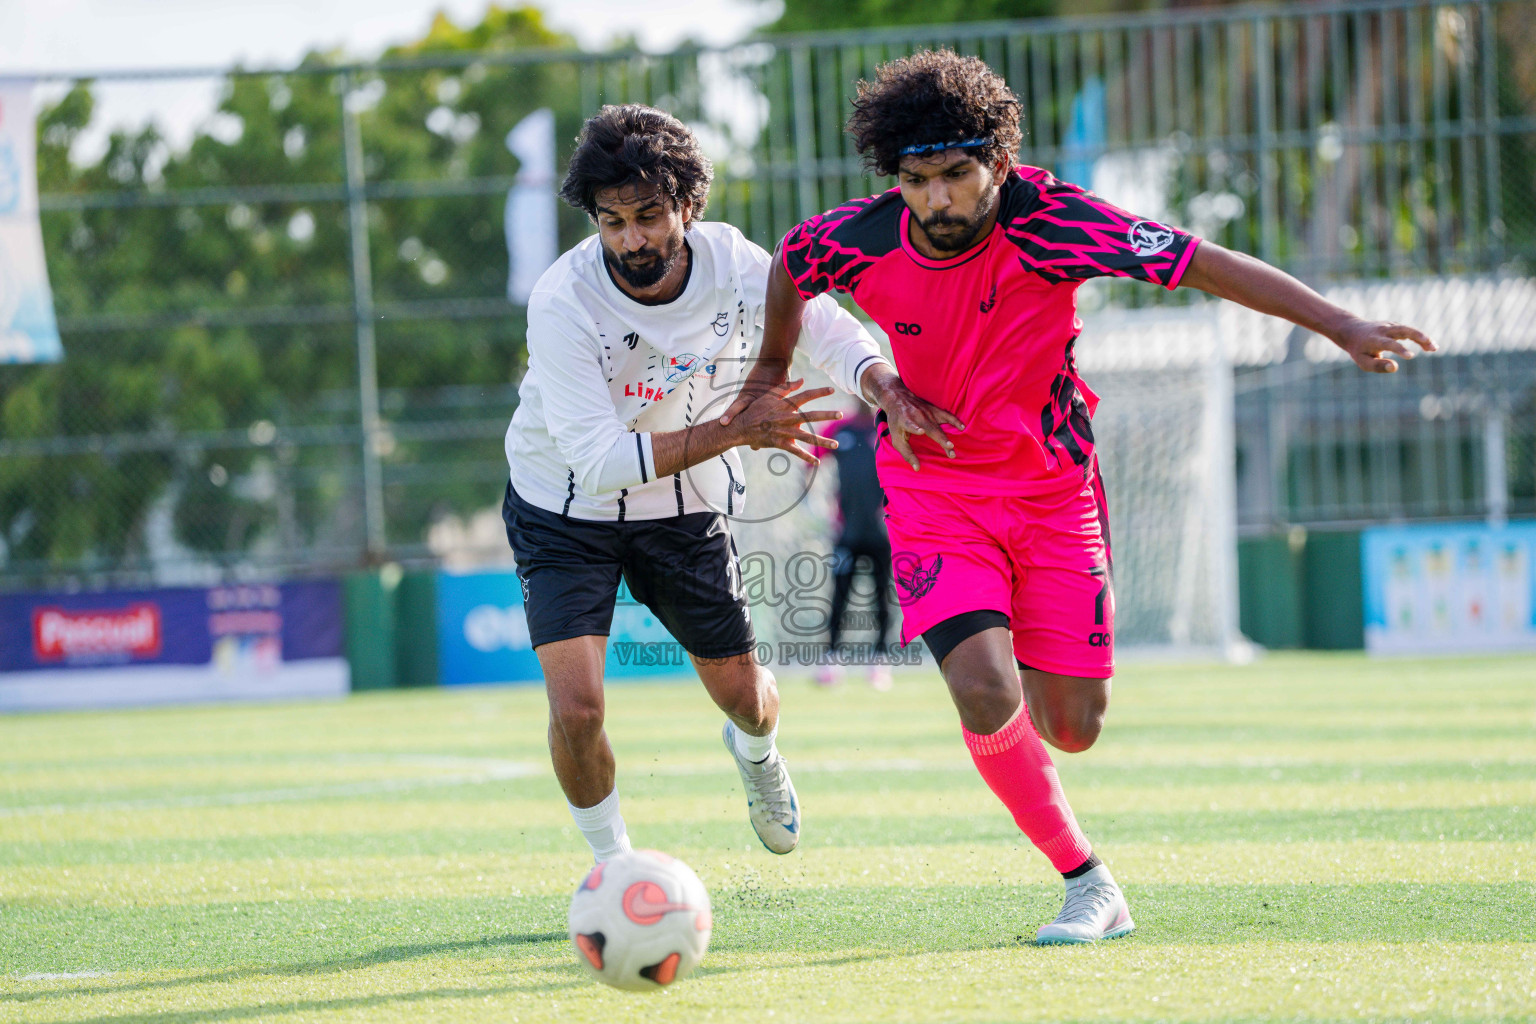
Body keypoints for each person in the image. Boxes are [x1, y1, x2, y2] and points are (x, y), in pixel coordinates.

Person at [725, 50, 1435, 943]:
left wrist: (1340, 323)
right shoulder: (855, 236)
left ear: (999, 160)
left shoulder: (1055, 221)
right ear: (893, 177)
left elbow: (1203, 262)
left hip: (1053, 493)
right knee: (982, 688)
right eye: (917, 180)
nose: (937, 198)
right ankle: (1087, 880)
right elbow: (791, 267)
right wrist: (768, 373)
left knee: (1073, 727)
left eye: (957, 174)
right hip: (933, 488)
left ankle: (1008, 633)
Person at [502, 104, 893, 863]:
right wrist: (736, 431)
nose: (631, 239)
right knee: (578, 709)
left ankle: (758, 758)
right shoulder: (561, 301)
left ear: (686, 203)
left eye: (648, 216)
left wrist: (883, 384)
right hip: (561, 505)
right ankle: (616, 873)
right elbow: (599, 462)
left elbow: (828, 328)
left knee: (747, 702)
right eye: (612, 221)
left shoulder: (736, 263)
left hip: (680, 505)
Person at [812, 400, 894, 691]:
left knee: (882, 597)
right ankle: (831, 663)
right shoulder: (839, 429)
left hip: (882, 534)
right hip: (847, 533)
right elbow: (811, 463)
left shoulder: (887, 428)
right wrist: (817, 508)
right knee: (840, 596)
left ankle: (880, 663)